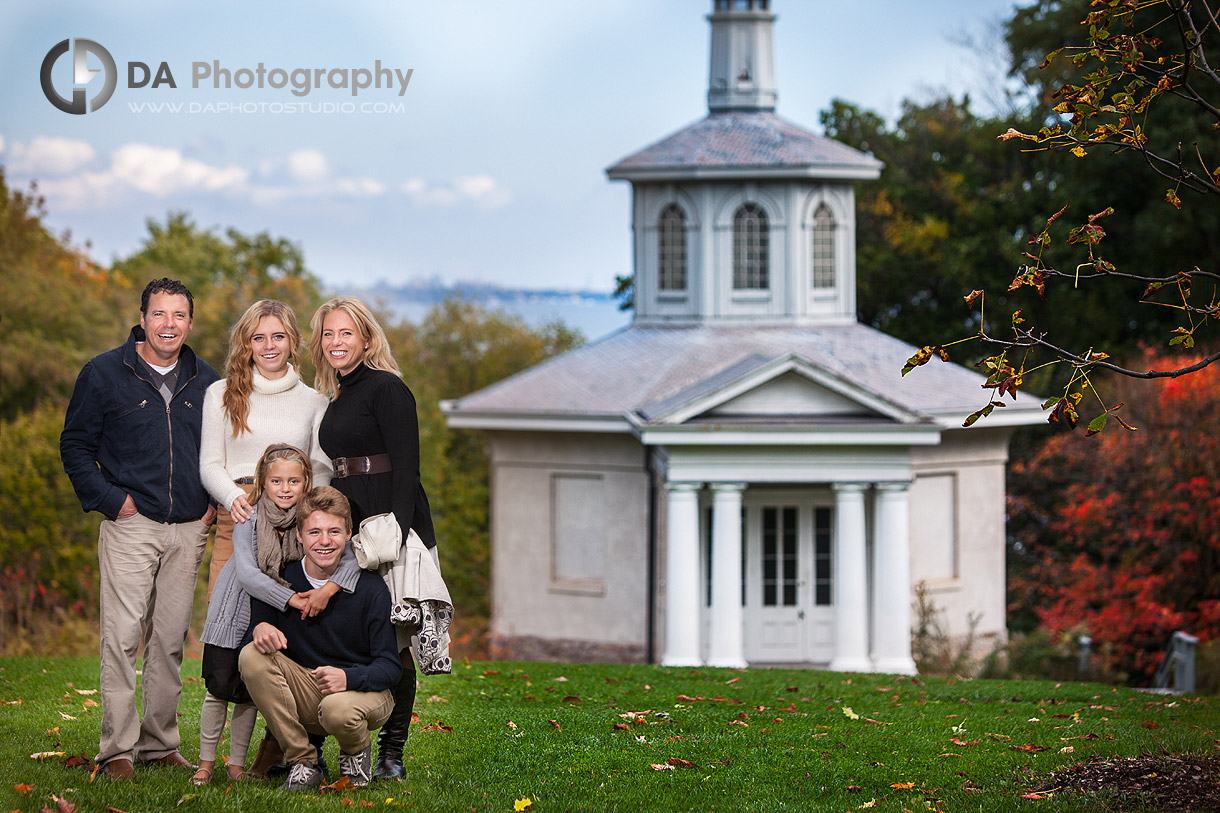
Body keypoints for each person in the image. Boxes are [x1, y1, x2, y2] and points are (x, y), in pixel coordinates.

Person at [60, 278, 220, 779]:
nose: (168, 324)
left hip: (189, 528)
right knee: (123, 638)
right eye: (159, 314)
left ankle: (158, 743)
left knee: (170, 640)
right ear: (143, 318)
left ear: (190, 322)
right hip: (132, 525)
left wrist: (212, 503)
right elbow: (75, 447)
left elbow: (221, 451)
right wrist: (112, 500)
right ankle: (118, 750)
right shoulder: (105, 373)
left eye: (178, 315)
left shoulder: (207, 381)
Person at [310, 296, 437, 780]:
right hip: (349, 518)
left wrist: (397, 535)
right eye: (328, 334)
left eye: (346, 333)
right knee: (345, 630)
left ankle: (391, 755)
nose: (336, 342)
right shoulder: (337, 396)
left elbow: (407, 467)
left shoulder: (388, 389)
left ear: (366, 338)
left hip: (389, 522)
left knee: (395, 638)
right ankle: (336, 747)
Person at [194, 444, 361, 785]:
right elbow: (248, 574)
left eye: (294, 482)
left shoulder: (309, 520)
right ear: (263, 482)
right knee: (220, 685)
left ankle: (236, 766)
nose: (285, 489)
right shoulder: (248, 515)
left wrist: (329, 589)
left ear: (306, 483)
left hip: (273, 612)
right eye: (277, 481)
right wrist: (292, 600)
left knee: (248, 691)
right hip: (236, 609)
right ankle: (205, 763)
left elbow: (351, 557)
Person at [239, 487, 402, 791]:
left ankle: (355, 756)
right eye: (314, 531)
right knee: (251, 655)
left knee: (338, 709)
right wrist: (259, 628)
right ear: (299, 535)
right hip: (307, 689)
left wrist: (348, 677)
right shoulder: (280, 580)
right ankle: (303, 762)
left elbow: (391, 668)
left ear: (349, 533)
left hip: (363, 694)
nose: (324, 541)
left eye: (334, 531)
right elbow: (257, 628)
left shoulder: (371, 589)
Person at [199, 299, 331, 600]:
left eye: (278, 336)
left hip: (292, 520)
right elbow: (209, 463)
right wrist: (233, 498)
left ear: (292, 341)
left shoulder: (314, 402)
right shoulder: (220, 394)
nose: (268, 346)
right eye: (258, 338)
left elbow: (321, 469)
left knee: (288, 615)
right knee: (225, 613)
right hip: (238, 514)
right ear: (247, 343)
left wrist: (307, 515)